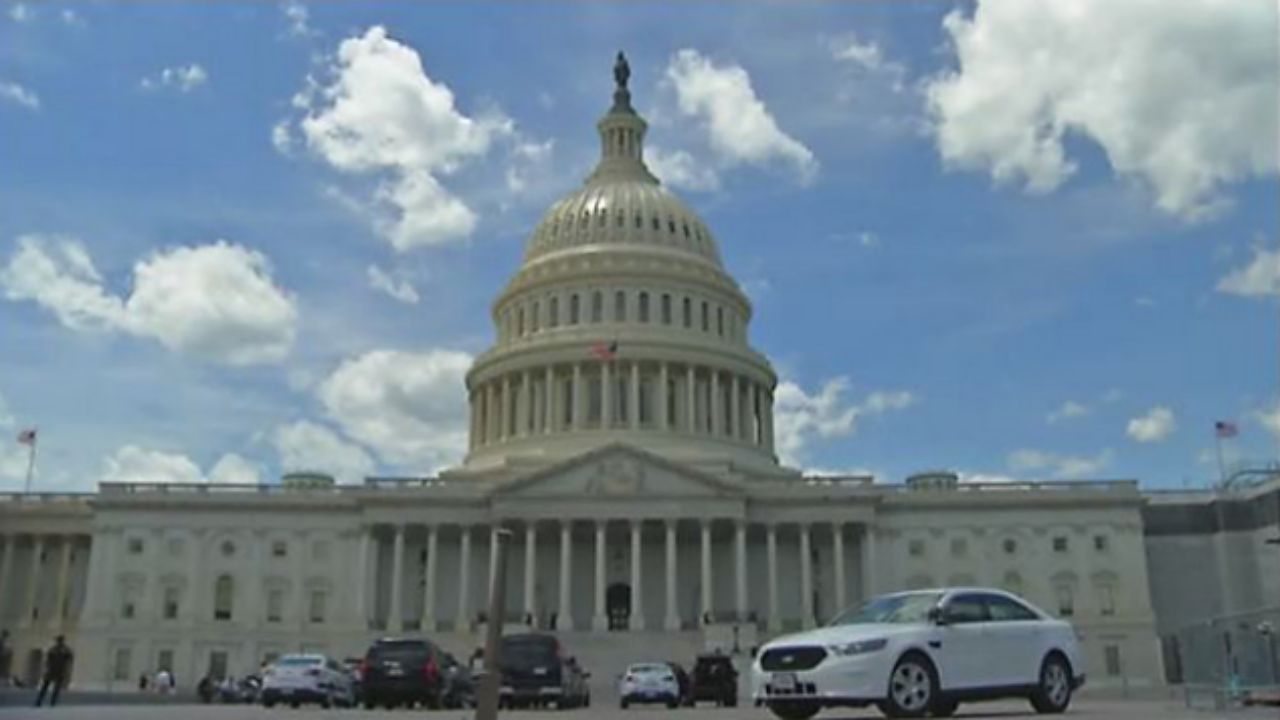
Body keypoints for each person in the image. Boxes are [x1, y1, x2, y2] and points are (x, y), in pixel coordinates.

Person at [33, 635, 73, 707]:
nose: (59, 642)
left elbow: (69, 661)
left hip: (59, 671)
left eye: (60, 640)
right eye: (59, 640)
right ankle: (40, 702)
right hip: (52, 671)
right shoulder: (55, 649)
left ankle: (50, 703)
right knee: (46, 687)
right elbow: (48, 660)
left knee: (54, 689)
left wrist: (66, 672)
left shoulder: (65, 650)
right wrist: (47, 668)